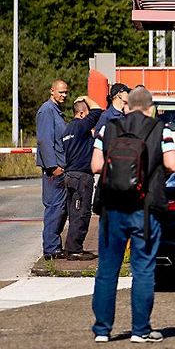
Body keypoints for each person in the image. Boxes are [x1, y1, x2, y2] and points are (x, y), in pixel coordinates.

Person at [90, 87, 175, 343]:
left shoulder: (109, 128)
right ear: (150, 107)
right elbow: (173, 164)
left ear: (127, 105)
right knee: (143, 269)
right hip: (146, 210)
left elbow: (95, 165)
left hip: (112, 208)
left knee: (107, 270)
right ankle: (140, 330)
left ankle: (102, 330)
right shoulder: (160, 129)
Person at [61, 95, 103, 260]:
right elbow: (98, 110)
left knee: (73, 214)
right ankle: (74, 250)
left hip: (70, 175)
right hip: (81, 177)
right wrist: (86, 97)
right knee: (82, 213)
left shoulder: (68, 129)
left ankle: (71, 247)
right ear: (82, 113)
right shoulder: (80, 125)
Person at [36, 80, 70, 261]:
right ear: (52, 91)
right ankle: (50, 249)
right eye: (61, 92)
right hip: (53, 171)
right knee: (54, 209)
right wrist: (53, 167)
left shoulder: (56, 111)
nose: (64, 95)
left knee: (60, 209)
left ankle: (54, 246)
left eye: (65, 92)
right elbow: (44, 140)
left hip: (60, 168)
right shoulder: (47, 111)